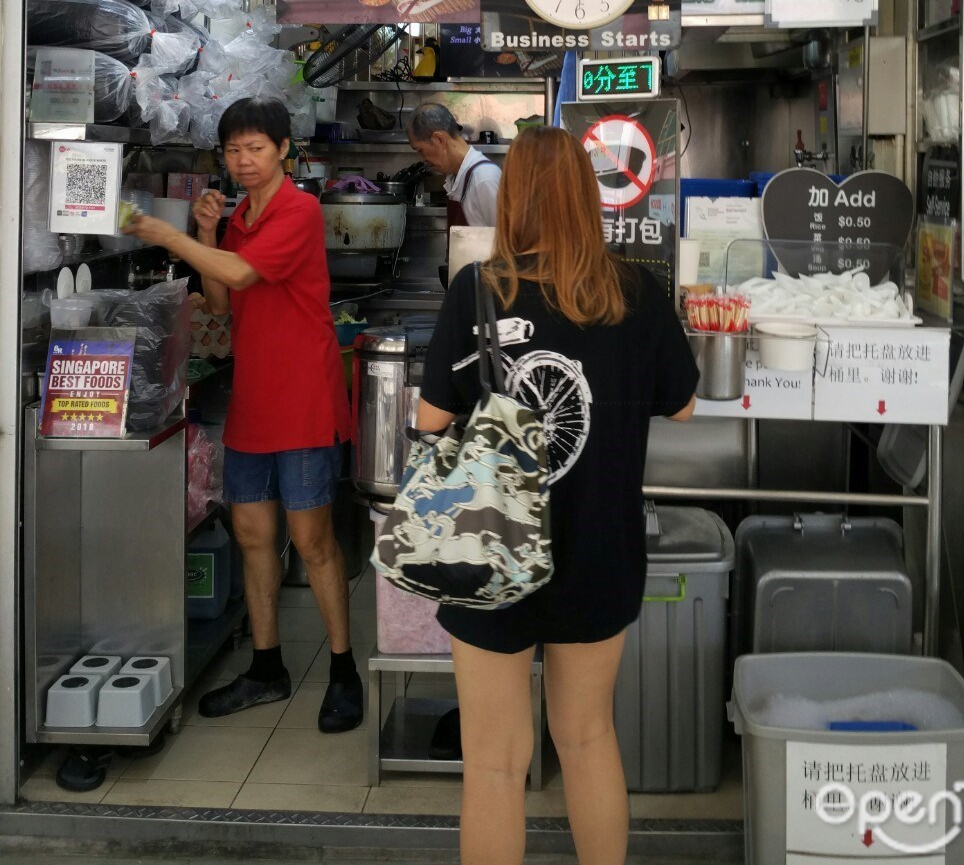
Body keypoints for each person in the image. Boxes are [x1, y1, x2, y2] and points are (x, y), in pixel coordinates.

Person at [417, 126, 697, 865]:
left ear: (512, 200)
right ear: (587, 198)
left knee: (497, 763)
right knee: (587, 736)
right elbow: (683, 404)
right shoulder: (636, 291)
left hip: (491, 548)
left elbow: (430, 420)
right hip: (600, 546)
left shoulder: (479, 290)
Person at [123, 97, 364, 733]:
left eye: (256, 148)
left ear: (284, 149)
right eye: (233, 151)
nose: (243, 161)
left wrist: (171, 235)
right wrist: (204, 233)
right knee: (255, 536)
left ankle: (344, 671)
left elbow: (239, 273)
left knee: (313, 542)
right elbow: (221, 302)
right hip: (255, 398)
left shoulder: (300, 210)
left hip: (305, 400)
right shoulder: (242, 217)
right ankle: (266, 667)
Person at [406, 102, 502, 228]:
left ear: (439, 139)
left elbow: (508, 243)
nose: (423, 159)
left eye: (420, 150)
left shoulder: (484, 179)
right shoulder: (456, 177)